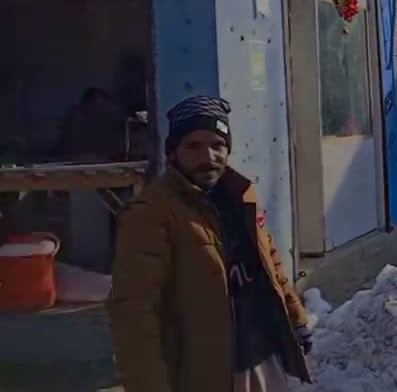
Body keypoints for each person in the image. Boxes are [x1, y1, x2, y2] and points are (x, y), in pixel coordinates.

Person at [108, 95, 312, 392]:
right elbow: (134, 309)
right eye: (193, 146)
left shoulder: (241, 194)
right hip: (205, 372)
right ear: (172, 153)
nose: (208, 156)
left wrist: (296, 318)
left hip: (262, 358)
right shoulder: (151, 212)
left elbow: (270, 263)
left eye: (217, 145)